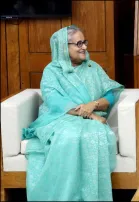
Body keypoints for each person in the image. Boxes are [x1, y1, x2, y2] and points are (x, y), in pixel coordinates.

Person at [22, 25, 124, 201]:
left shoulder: (93, 67)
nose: (84, 47)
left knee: (95, 134)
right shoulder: (52, 71)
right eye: (78, 43)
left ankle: (91, 196)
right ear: (64, 46)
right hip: (58, 118)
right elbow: (55, 101)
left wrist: (94, 104)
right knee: (68, 136)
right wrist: (90, 114)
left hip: (91, 118)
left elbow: (111, 93)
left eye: (84, 42)